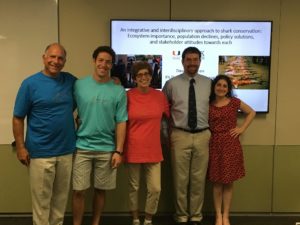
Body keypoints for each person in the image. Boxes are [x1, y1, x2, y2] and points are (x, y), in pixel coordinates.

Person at [12, 43, 77, 225]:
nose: (56, 61)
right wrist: (20, 147)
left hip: (65, 151)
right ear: (44, 58)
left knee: (60, 203)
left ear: (65, 61)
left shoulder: (70, 81)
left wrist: (114, 83)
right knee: (41, 206)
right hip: (40, 153)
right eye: (52, 57)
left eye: (60, 58)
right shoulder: (30, 84)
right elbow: (18, 118)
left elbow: (88, 92)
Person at [72, 46, 127, 225]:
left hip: (107, 148)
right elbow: (66, 110)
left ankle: (96, 223)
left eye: (108, 62)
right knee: (78, 191)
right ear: (94, 61)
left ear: (112, 65)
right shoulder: (79, 85)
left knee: (100, 190)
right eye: (101, 60)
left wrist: (118, 151)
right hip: (82, 147)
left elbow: (121, 121)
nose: (104, 65)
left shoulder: (118, 90)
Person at [162, 47, 211, 225]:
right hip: (179, 135)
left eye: (195, 59)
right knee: (180, 180)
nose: (192, 63)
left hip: (203, 135)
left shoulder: (209, 83)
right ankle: (182, 216)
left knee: (198, 180)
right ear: (182, 61)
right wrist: (167, 135)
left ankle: (196, 217)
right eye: (188, 59)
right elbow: (163, 112)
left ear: (200, 61)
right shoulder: (171, 84)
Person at [123, 61, 170, 225]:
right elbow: (121, 122)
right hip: (133, 148)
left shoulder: (159, 96)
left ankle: (148, 219)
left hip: (154, 149)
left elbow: (171, 117)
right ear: (134, 78)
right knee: (133, 187)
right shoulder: (127, 96)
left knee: (155, 188)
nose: (144, 77)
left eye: (147, 74)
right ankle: (135, 218)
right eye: (140, 75)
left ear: (151, 76)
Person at [207, 75, 255, 225]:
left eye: (224, 86)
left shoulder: (234, 102)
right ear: (214, 87)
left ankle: (226, 215)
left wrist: (241, 129)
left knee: (228, 182)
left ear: (228, 89)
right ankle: (218, 216)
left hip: (230, 145)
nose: (221, 88)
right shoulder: (208, 104)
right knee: (216, 183)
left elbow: (251, 112)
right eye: (218, 85)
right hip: (214, 144)